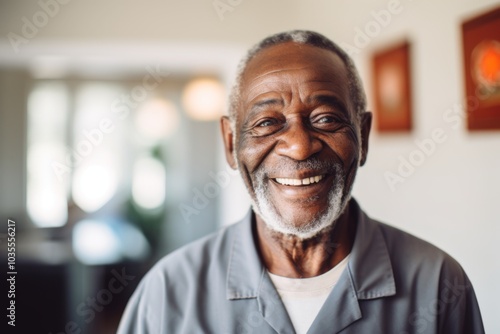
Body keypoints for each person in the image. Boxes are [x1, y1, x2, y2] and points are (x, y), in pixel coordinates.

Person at [117, 30, 484, 334]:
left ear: (364, 135)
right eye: (266, 122)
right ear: (230, 143)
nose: (299, 146)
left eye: (325, 119)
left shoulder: (438, 284)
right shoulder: (167, 294)